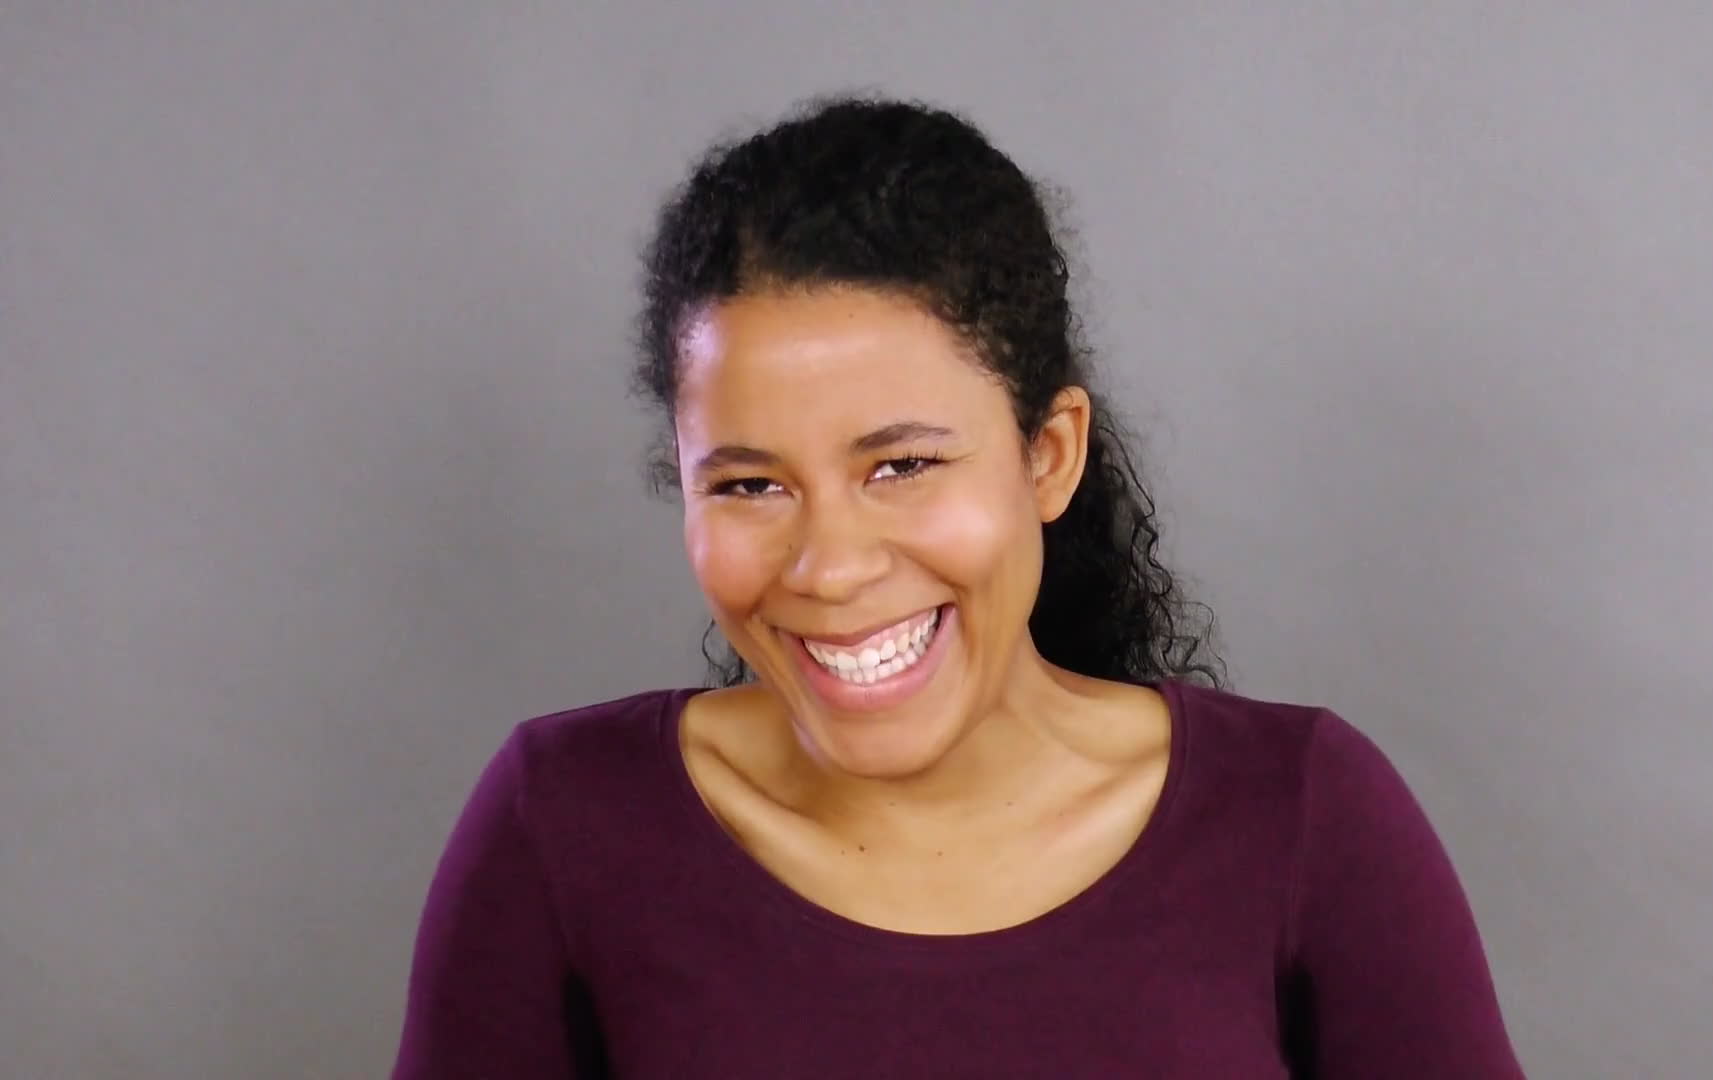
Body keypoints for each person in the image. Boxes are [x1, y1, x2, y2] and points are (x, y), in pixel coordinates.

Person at [392, 95, 1526, 1078]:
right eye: (749, 485)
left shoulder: (1304, 817)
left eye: (903, 466)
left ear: (1049, 456)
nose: (831, 566)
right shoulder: (564, 827)